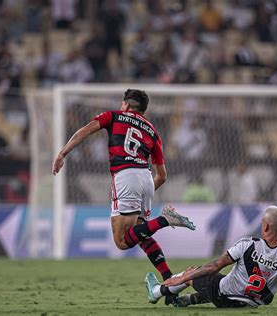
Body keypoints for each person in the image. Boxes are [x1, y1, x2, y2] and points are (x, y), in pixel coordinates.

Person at [52, 89, 196, 288]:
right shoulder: (152, 130)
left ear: (126, 105)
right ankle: (169, 279)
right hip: (146, 178)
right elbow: (162, 176)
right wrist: (145, 190)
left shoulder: (113, 116)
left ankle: (165, 219)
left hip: (126, 176)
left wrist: (62, 153)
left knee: (121, 241)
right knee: (139, 233)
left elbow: (84, 131)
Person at [145, 206, 277, 310]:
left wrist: (184, 278)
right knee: (220, 282)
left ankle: (157, 292)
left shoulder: (247, 244)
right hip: (249, 304)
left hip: (224, 296)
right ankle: (186, 300)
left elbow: (214, 266)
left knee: (197, 272)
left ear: (266, 225)